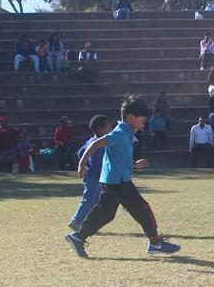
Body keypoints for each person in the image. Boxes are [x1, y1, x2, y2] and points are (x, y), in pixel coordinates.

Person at [65, 94, 180, 258]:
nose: (143, 124)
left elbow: (119, 156)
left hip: (111, 181)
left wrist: (134, 164)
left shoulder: (125, 133)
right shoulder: (119, 132)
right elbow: (96, 143)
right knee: (142, 209)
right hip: (119, 183)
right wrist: (81, 165)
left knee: (105, 213)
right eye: (142, 120)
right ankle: (155, 242)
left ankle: (78, 237)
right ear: (131, 118)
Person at [68, 115, 113, 231]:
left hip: (95, 177)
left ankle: (85, 224)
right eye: (109, 127)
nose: (111, 130)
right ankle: (76, 221)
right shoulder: (100, 143)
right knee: (89, 200)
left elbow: (80, 153)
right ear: (100, 129)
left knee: (95, 202)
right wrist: (86, 167)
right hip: (94, 177)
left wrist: (85, 166)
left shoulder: (90, 141)